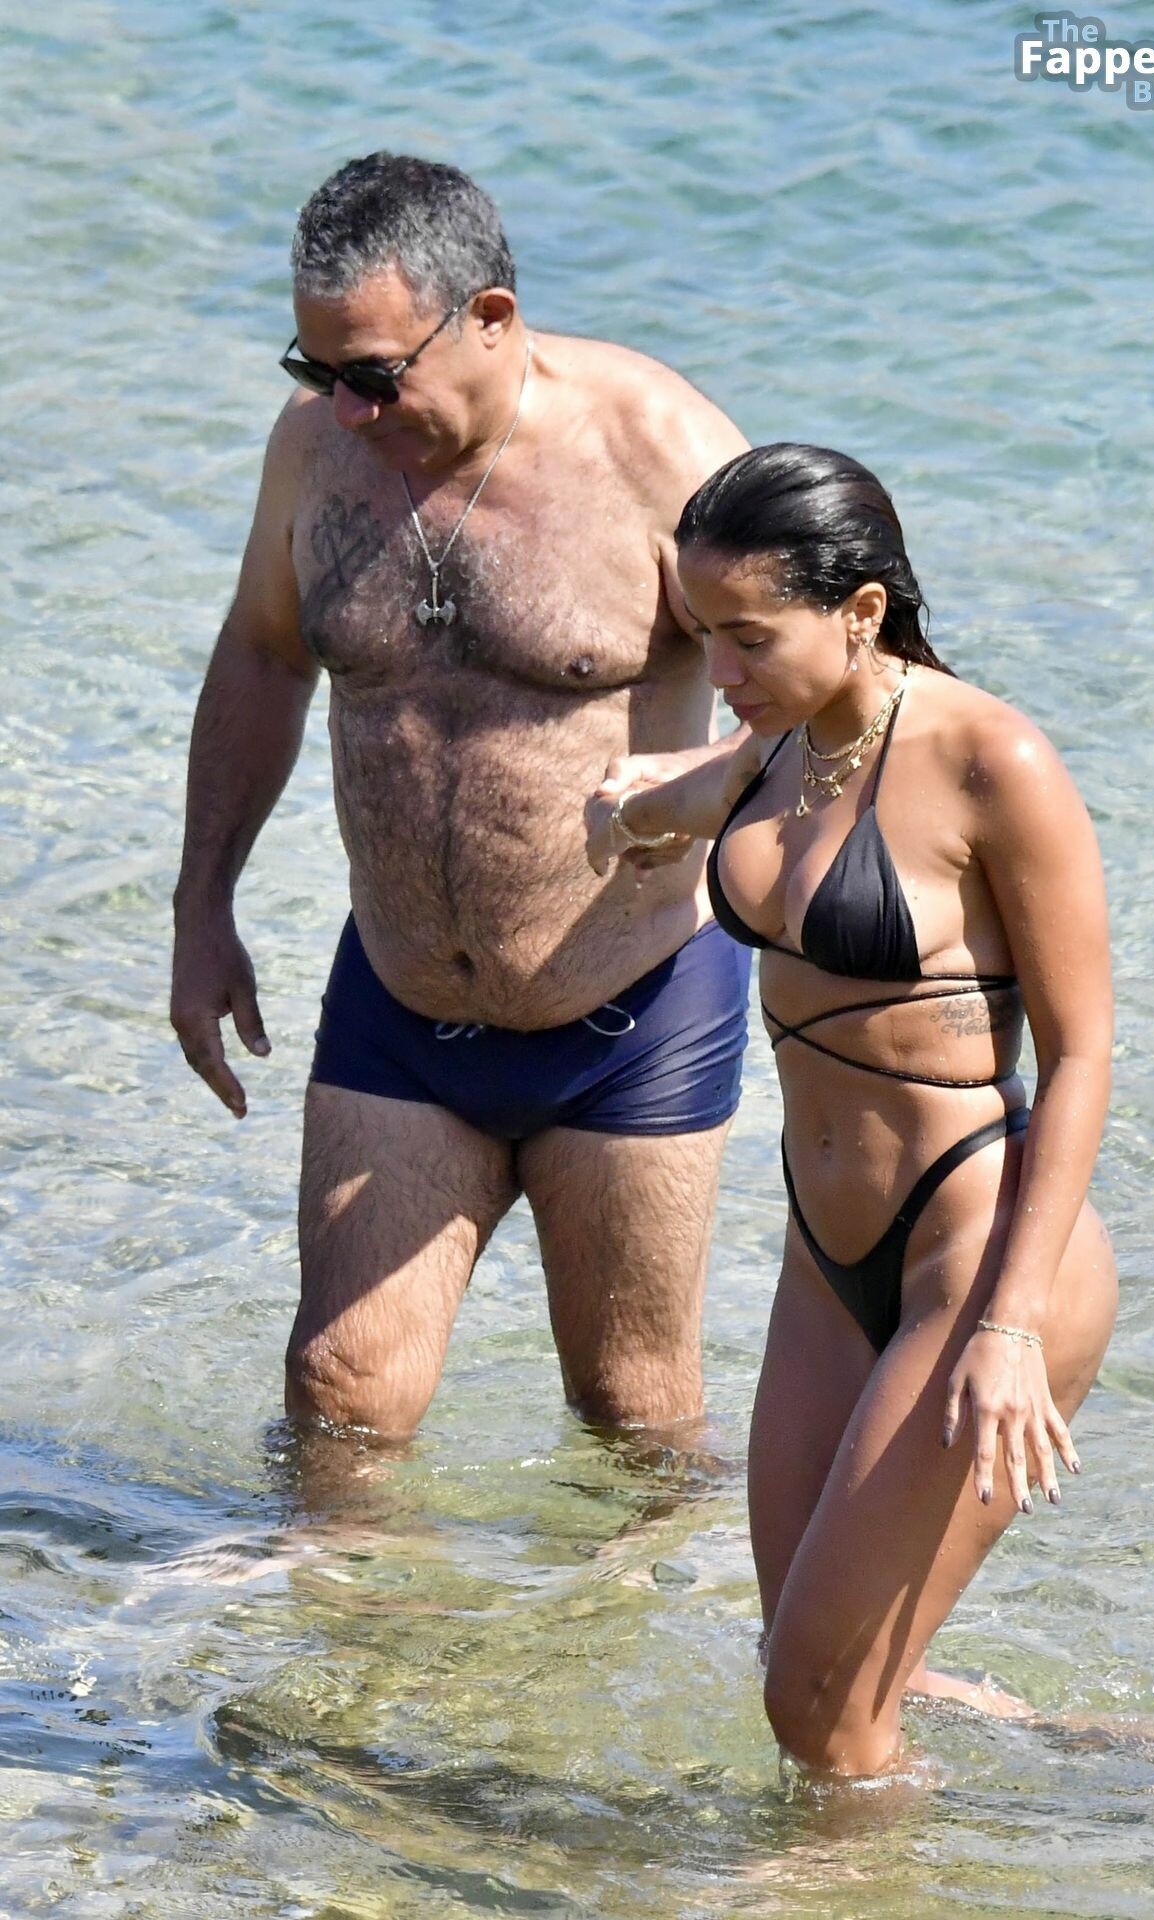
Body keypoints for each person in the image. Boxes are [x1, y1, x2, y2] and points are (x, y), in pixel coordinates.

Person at [170, 153, 753, 1444]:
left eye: (376, 375)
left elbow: (842, 700)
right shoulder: (317, 451)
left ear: (489, 316)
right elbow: (264, 657)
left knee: (635, 1416)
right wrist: (200, 910)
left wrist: (703, 784)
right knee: (339, 1397)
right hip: (401, 1005)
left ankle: (691, 1591)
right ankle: (342, 1599)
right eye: (317, 369)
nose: (347, 410)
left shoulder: (665, 453)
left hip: (628, 1012)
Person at [587, 444, 1118, 1778]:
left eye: (749, 636)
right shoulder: (778, 747)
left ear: (862, 610)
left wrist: (1009, 1327)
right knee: (807, 1670)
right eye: (705, 632)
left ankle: (852, 1873)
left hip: (982, 1257)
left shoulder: (991, 758)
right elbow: (665, 805)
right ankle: (1081, 1759)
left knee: (815, 1710)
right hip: (826, 1262)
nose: (719, 669)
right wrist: (622, 820)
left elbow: (1082, 1053)